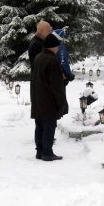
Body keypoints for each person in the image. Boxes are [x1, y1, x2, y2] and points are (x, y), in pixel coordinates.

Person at [30, 33, 67, 161]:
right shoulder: (52, 60)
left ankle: (39, 151)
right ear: (53, 46)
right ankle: (47, 152)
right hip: (48, 99)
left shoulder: (38, 57)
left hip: (38, 98)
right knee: (49, 126)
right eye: (57, 46)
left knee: (39, 126)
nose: (58, 48)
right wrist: (61, 103)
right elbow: (56, 85)